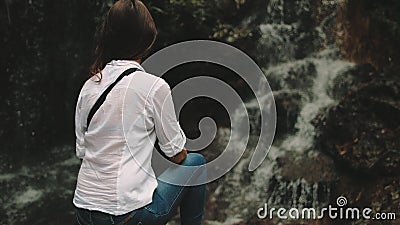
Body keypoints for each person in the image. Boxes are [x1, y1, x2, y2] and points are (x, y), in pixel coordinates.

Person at [73, 0, 206, 224]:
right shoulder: (154, 87)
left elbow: (83, 151)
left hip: (84, 211)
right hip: (126, 215)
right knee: (196, 162)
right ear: (147, 40)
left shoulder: (89, 86)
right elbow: (176, 153)